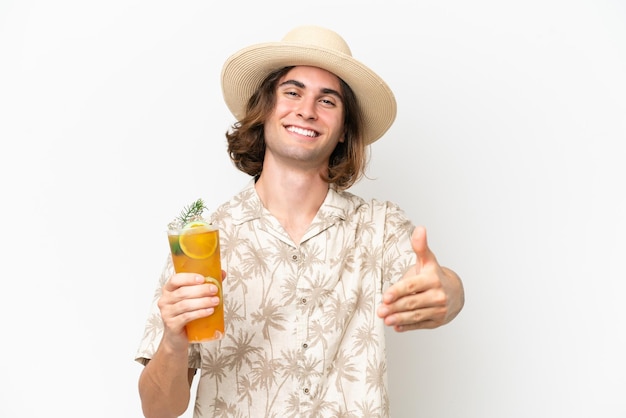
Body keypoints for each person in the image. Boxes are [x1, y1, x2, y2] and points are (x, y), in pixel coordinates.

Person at [135, 25, 465, 418]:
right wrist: (173, 339)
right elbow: (159, 411)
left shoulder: (379, 226)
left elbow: (439, 286)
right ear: (265, 109)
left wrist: (448, 291)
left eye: (328, 101)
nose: (307, 110)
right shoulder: (203, 240)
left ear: (344, 131)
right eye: (292, 92)